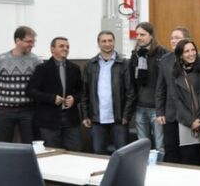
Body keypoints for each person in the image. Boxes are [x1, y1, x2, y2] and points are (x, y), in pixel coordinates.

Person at [81, 30, 134, 154]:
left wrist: (126, 115)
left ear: (114, 42)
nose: (107, 44)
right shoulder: (90, 64)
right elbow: (85, 92)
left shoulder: (124, 64)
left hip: (119, 118)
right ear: (98, 43)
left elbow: (130, 92)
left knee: (122, 153)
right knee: (98, 151)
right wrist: (85, 115)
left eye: (110, 41)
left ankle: (122, 174)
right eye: (103, 41)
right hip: (97, 118)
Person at [26, 37, 84, 151]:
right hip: (49, 120)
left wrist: (74, 99)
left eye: (67, 46)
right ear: (52, 49)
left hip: (70, 119)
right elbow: (31, 91)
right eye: (61, 46)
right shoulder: (42, 68)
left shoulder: (75, 68)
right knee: (52, 153)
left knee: (76, 150)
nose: (65, 48)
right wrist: (51, 98)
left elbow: (81, 91)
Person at [0, 26, 42, 143]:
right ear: (18, 41)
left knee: (30, 146)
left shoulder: (36, 61)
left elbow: (38, 86)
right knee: (3, 146)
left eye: (33, 41)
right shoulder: (0, 60)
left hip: (29, 111)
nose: (32, 44)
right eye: (29, 41)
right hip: (4, 111)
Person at [170, 39, 200, 166]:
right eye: (187, 51)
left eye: (193, 50)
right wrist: (191, 121)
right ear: (180, 55)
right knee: (190, 161)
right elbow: (176, 100)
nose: (191, 54)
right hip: (186, 122)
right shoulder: (174, 73)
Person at [130, 22, 168, 160]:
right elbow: (132, 83)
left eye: (142, 34)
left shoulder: (163, 53)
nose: (139, 37)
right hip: (140, 107)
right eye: (137, 34)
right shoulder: (135, 55)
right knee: (142, 146)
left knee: (160, 146)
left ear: (151, 36)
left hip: (157, 109)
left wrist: (162, 108)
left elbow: (165, 83)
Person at [156, 27, 192, 163]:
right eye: (171, 38)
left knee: (188, 153)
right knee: (171, 150)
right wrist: (160, 111)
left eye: (177, 37)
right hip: (170, 114)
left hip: (190, 115)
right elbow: (161, 88)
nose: (173, 40)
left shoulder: (197, 59)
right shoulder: (165, 60)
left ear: (187, 40)